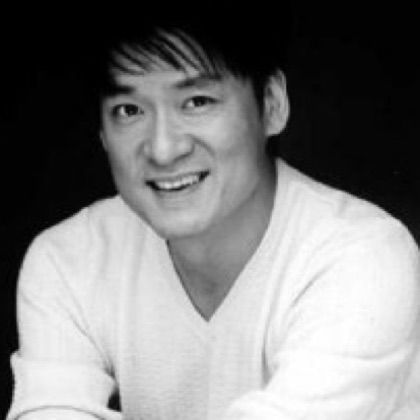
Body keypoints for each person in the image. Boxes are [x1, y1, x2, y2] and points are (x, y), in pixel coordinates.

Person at [7, 6, 420, 420]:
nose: (163, 149)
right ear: (101, 131)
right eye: (130, 110)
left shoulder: (363, 256)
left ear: (272, 104)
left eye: (197, 102)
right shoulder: (69, 260)